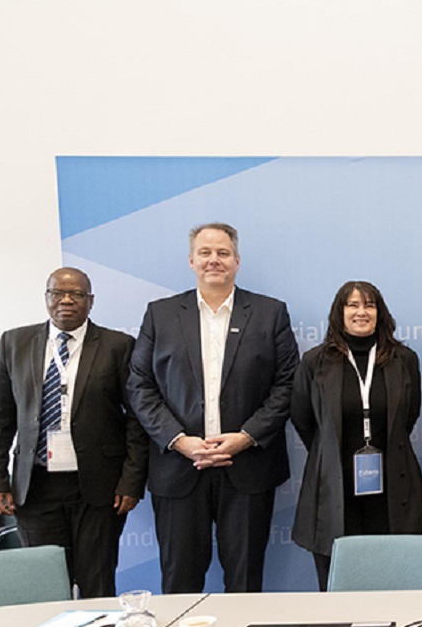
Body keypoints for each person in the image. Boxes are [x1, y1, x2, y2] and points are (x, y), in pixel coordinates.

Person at [128, 222, 299, 593]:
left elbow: (287, 384)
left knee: (245, 579)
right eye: (205, 252)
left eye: (222, 253)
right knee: (179, 581)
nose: (214, 260)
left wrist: (246, 436)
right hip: (178, 467)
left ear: (237, 260)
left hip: (247, 466)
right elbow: (140, 386)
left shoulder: (270, 313)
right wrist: (178, 440)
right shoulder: (160, 314)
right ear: (191, 261)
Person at [0, 267, 147, 597]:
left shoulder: (118, 345)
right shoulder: (14, 342)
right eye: (57, 293)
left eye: (77, 294)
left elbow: (137, 420)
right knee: (46, 585)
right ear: (46, 298)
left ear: (90, 301)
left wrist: (131, 481)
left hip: (98, 487)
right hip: (35, 487)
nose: (66, 300)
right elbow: (2, 419)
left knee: (97, 583)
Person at [291, 280, 422, 590]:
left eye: (369, 305)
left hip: (393, 486)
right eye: (352, 305)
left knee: (393, 581)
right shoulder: (315, 361)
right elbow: (303, 419)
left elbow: (408, 417)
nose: (361, 312)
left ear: (380, 312)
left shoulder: (404, 359)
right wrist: (330, 452)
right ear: (339, 313)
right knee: (339, 586)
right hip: (335, 487)